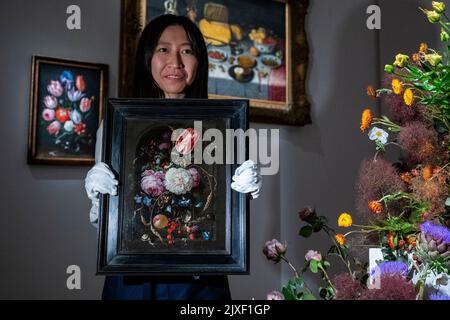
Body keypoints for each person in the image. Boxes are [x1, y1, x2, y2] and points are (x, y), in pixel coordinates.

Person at [85, 14, 261, 300]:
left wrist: (245, 190)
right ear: (147, 58)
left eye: (187, 51)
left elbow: (223, 215)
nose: (176, 62)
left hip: (201, 277)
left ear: (200, 61)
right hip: (133, 278)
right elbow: (109, 226)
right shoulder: (118, 126)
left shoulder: (222, 126)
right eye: (163, 49)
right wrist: (97, 200)